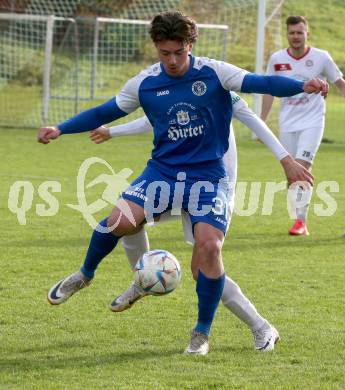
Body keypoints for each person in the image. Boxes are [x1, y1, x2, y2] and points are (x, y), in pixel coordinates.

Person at [37, 11, 327, 355]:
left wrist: (300, 86)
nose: (172, 61)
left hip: (209, 179)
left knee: (207, 252)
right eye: (164, 53)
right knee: (119, 221)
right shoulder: (145, 83)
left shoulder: (216, 74)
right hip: (163, 173)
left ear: (190, 45)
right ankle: (87, 274)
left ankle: (201, 333)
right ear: (157, 49)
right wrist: (61, 128)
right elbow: (104, 112)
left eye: (179, 52)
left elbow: (261, 83)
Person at [88, 92, 313, 353]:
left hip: (214, 189)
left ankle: (262, 327)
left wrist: (287, 159)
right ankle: (143, 279)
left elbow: (254, 122)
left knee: (202, 269)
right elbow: (154, 120)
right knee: (129, 218)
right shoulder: (175, 90)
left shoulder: (222, 91)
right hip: (176, 181)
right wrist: (112, 132)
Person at [261, 15, 345, 236]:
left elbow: (340, 84)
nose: (296, 37)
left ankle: (300, 222)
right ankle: (299, 218)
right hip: (287, 123)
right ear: (287, 34)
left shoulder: (321, 57)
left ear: (307, 34)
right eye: (292, 33)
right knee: (291, 173)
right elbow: (269, 89)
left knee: (301, 168)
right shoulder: (277, 59)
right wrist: (262, 121)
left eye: (300, 32)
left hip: (313, 122)